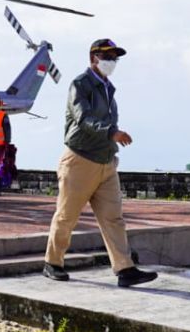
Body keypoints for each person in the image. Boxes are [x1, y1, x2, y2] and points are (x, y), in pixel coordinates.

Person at [44, 39, 157, 287]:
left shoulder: (109, 88)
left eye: (115, 57)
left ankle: (125, 269)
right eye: (107, 56)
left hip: (106, 162)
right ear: (93, 58)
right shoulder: (80, 84)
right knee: (67, 216)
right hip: (80, 160)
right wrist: (111, 132)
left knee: (113, 218)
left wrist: (111, 140)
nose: (112, 61)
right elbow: (83, 117)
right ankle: (53, 263)